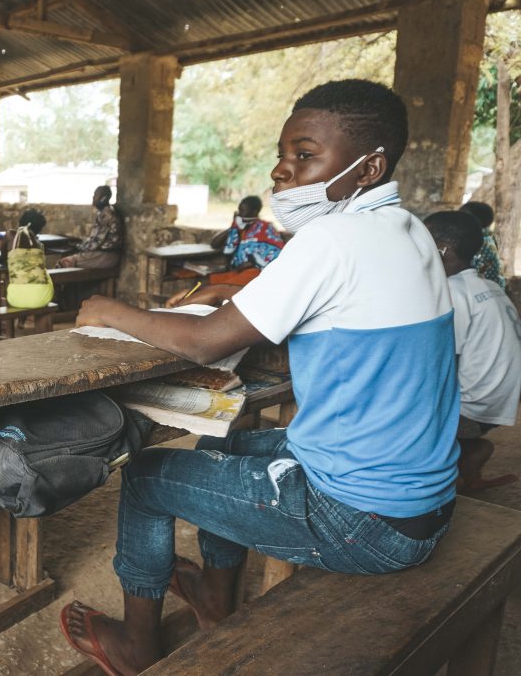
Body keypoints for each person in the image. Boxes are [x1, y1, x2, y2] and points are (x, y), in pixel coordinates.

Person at [62, 79, 459, 674]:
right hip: (420, 500)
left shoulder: (332, 239)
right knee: (227, 441)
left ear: (369, 166)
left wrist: (108, 309)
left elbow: (202, 341)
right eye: (282, 154)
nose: (281, 171)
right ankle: (217, 600)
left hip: (362, 521)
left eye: (305, 154)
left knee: (145, 477)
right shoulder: (410, 232)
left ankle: (135, 645)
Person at [425, 210, 520, 493]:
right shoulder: (488, 286)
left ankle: (440, 479)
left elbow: (443, 361)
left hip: (471, 406)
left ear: (441, 249)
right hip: (497, 400)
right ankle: (471, 454)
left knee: (401, 417)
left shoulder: (451, 291)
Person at [207, 195, 285, 287]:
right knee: (207, 283)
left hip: (255, 272)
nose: (239, 213)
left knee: (216, 289)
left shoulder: (266, 228)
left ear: (254, 211)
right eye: (239, 210)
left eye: (243, 210)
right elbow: (214, 244)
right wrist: (234, 226)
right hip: (237, 271)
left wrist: (251, 263)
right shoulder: (238, 228)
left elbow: (278, 252)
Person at [57, 185, 123, 269]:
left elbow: (95, 243)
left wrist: (77, 246)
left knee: (63, 263)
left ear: (103, 198)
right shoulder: (107, 212)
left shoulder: (106, 215)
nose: (93, 198)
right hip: (105, 255)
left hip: (106, 256)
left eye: (96, 195)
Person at [460, 201, 507, 288]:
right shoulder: (486, 237)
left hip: (487, 292)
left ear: (476, 220)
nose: (458, 218)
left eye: (463, 216)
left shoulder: (479, 241)